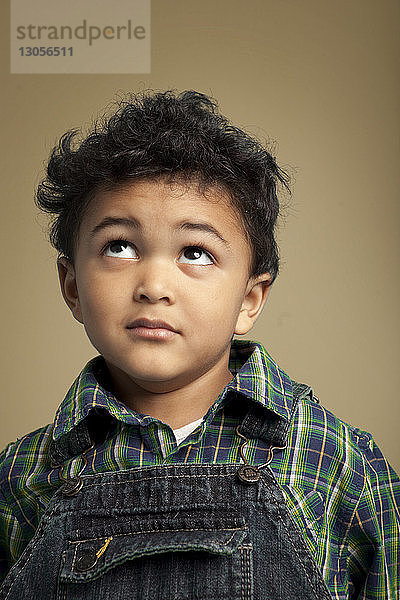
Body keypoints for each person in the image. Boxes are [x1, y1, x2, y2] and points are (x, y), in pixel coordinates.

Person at [0, 90, 398, 600]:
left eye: (196, 252)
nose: (154, 284)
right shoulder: (24, 477)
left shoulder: (336, 461)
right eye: (119, 247)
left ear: (249, 301)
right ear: (72, 286)